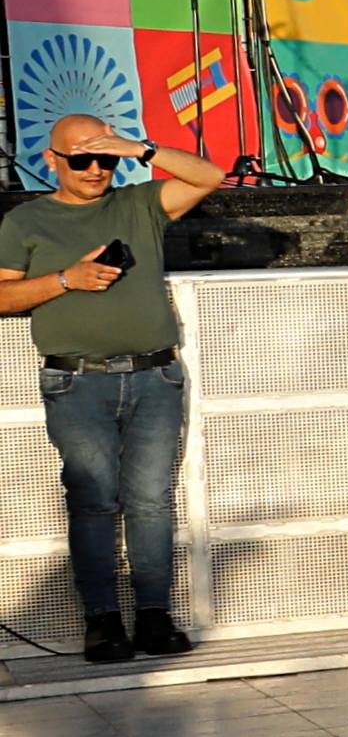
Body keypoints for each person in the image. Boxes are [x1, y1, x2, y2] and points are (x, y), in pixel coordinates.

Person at [0, 114, 224, 661]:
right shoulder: (26, 220)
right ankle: (101, 621)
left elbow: (208, 176)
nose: (96, 168)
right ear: (51, 159)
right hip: (76, 380)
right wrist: (64, 281)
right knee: (93, 503)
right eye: (82, 158)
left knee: (152, 501)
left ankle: (154, 615)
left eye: (106, 157)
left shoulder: (138, 203)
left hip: (155, 374)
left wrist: (138, 148)